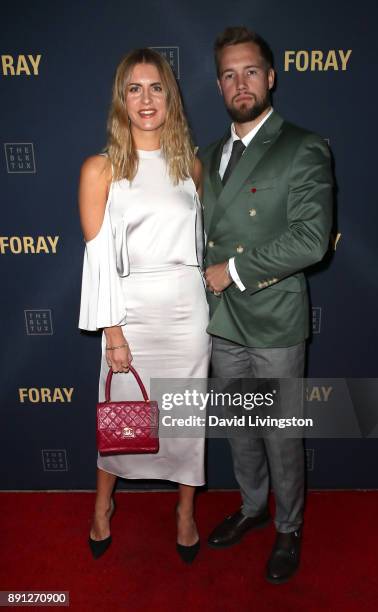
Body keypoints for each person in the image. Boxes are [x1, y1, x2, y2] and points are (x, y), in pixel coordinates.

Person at [201, 27, 333, 583]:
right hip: (222, 324)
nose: (241, 83)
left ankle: (289, 528)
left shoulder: (303, 145)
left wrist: (231, 272)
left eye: (250, 71)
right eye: (229, 74)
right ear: (219, 84)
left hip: (274, 320)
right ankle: (255, 509)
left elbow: (311, 237)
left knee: (281, 434)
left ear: (271, 76)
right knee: (240, 430)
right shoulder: (208, 156)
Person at [78, 48, 210, 564]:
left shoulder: (191, 167)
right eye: (134, 88)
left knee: (184, 418)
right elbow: (97, 263)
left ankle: (184, 513)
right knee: (121, 416)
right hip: (129, 313)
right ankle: (102, 507)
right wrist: (113, 332)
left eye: (155, 87)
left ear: (170, 96)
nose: (146, 98)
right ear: (121, 99)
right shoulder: (101, 169)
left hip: (188, 314)